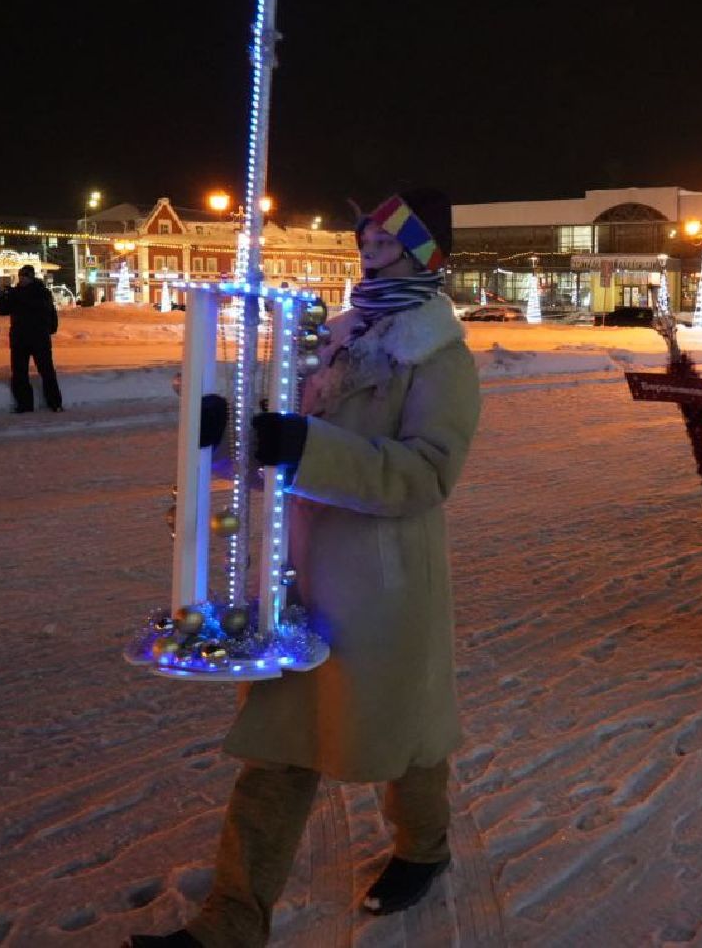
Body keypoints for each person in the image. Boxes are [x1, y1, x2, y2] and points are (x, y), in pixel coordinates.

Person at [128, 189, 480, 948]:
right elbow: (292, 447)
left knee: (405, 734)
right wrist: (231, 443)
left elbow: (426, 476)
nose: (365, 252)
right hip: (299, 578)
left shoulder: (438, 355)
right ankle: (231, 921)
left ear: (421, 254)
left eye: (382, 242)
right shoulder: (342, 338)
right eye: (363, 242)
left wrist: (305, 449)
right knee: (278, 747)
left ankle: (424, 845)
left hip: (384, 587)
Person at [0, 264, 62, 412]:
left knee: (46, 371)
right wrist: (1, 294)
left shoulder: (40, 292)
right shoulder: (20, 293)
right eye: (21, 276)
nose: (23, 279)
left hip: (37, 338)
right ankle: (25, 404)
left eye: (25, 276)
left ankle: (54, 402)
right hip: (21, 339)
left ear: (31, 277)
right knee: (20, 373)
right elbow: (1, 310)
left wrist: (50, 328)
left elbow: (45, 309)